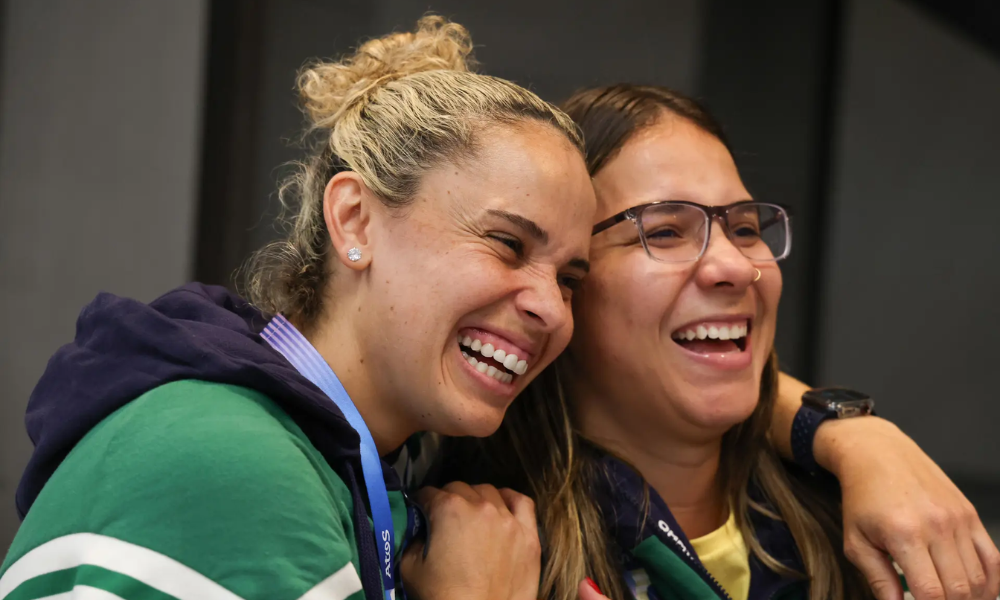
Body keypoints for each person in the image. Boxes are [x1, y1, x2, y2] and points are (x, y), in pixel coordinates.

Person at [0, 17, 597, 600]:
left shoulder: (339, 468)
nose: (551, 308)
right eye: (507, 244)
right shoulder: (231, 463)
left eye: (569, 279)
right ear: (355, 220)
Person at [444, 84, 1000, 600]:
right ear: (568, 281)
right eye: (663, 230)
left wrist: (858, 439)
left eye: (745, 228)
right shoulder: (479, 554)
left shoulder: (871, 520)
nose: (734, 266)